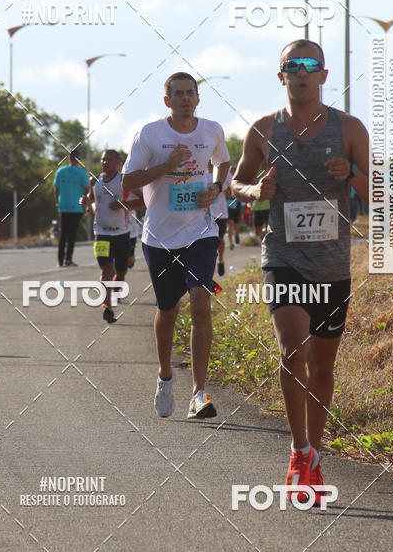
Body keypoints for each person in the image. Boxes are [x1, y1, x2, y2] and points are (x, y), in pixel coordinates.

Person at [232, 40, 369, 503]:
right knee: (293, 350)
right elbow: (236, 182)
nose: (302, 71)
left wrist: (350, 174)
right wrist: (256, 191)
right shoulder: (263, 129)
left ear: (324, 75)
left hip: (332, 263)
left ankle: (316, 451)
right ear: (282, 76)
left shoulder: (348, 128)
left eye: (311, 64)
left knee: (322, 367)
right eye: (293, 65)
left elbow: (380, 191)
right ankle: (298, 449)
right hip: (283, 257)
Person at [122, 72, 230, 419]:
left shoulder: (211, 130)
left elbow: (223, 163)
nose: (185, 98)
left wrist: (216, 188)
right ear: (167, 100)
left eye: (190, 93)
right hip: (160, 237)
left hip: (201, 231)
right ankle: (165, 376)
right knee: (168, 310)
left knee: (201, 302)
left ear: (198, 98)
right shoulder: (150, 134)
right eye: (178, 94)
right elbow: (128, 181)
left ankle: (199, 392)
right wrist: (166, 166)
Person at [80, 150, 143, 324]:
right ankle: (106, 306)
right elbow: (91, 199)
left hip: (122, 233)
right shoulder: (94, 180)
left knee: (121, 272)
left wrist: (123, 205)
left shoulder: (124, 181)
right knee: (106, 269)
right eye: (103, 160)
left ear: (117, 162)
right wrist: (85, 202)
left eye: (109, 160)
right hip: (101, 233)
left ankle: (117, 283)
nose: (105, 162)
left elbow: (143, 200)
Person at [53, 147, 88, 267]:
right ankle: (68, 259)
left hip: (63, 206)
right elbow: (87, 190)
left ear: (68, 158)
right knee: (72, 234)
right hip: (76, 207)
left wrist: (57, 202)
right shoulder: (81, 173)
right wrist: (87, 204)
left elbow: (56, 189)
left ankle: (60, 260)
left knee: (63, 234)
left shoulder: (60, 171)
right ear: (78, 159)